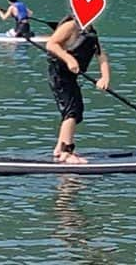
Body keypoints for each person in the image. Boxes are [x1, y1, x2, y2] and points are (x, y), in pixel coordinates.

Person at [45, 15, 110, 164]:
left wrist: (104, 77)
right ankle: (67, 152)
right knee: (72, 111)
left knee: (76, 110)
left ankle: (59, 149)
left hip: (71, 77)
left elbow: (101, 56)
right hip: (59, 74)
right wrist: (69, 59)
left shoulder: (91, 31)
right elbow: (51, 44)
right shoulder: (70, 26)